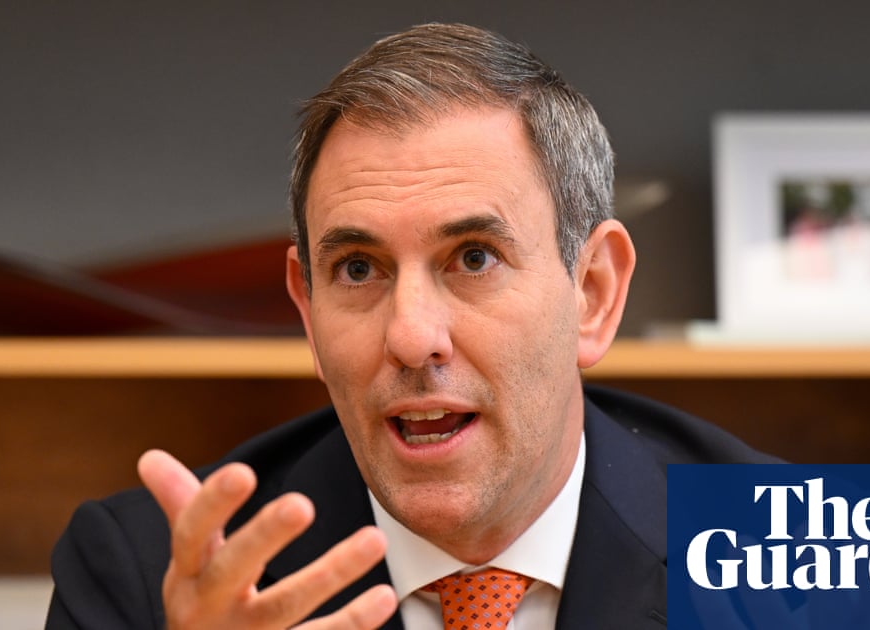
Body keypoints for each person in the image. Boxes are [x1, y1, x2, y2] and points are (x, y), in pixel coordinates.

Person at [46, 22, 776, 630]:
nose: (411, 337)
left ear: (592, 293)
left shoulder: (793, 553)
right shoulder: (150, 579)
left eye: (474, 258)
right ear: (308, 309)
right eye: (358, 269)